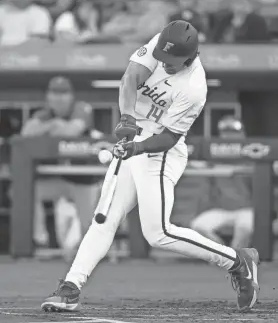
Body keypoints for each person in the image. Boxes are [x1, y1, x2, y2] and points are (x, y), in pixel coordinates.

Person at [41, 21, 260, 313]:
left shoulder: (194, 88)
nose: (165, 64)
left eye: (172, 62)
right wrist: (127, 119)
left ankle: (236, 261)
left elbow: (169, 138)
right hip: (136, 134)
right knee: (104, 219)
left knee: (158, 234)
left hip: (160, 151)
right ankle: (71, 287)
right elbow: (130, 78)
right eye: (163, 57)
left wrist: (138, 147)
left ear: (190, 56)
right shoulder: (161, 43)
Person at [21, 76, 102, 259]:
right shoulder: (44, 114)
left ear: (71, 96)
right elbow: (26, 133)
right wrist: (53, 124)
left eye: (63, 94)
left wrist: (47, 129)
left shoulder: (81, 108)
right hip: (60, 179)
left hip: (85, 179)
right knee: (29, 191)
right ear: (48, 96)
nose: (58, 98)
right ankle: (39, 240)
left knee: (88, 228)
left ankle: (89, 257)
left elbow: (71, 131)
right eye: (54, 93)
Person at [190, 116, 254, 249]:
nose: (229, 137)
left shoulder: (251, 154)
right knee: (197, 226)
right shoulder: (214, 157)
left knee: (245, 228)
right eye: (226, 133)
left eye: (234, 133)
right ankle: (222, 252)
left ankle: (236, 258)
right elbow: (205, 187)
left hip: (246, 209)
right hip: (221, 210)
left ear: (242, 134)